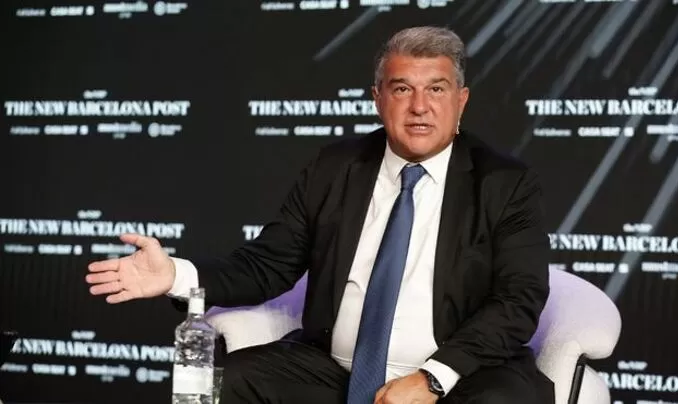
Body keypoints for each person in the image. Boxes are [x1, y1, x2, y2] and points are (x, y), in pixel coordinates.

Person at [86, 26, 555, 403]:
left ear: (461, 100)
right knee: (237, 379)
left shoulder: (504, 183)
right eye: (402, 89)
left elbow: (518, 299)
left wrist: (432, 378)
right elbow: (268, 264)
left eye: (436, 88)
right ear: (377, 98)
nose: (419, 107)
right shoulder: (335, 168)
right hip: (336, 372)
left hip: (460, 377)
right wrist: (175, 275)